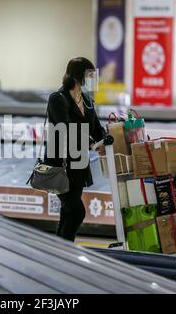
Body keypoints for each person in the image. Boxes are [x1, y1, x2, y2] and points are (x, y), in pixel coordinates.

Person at [45, 57, 106, 242]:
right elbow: (66, 127)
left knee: (67, 212)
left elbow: (96, 127)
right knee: (77, 211)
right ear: (78, 75)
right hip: (61, 165)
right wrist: (90, 142)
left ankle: (60, 250)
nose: (93, 78)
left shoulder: (87, 99)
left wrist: (106, 140)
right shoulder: (58, 98)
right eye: (90, 74)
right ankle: (65, 252)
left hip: (79, 164)